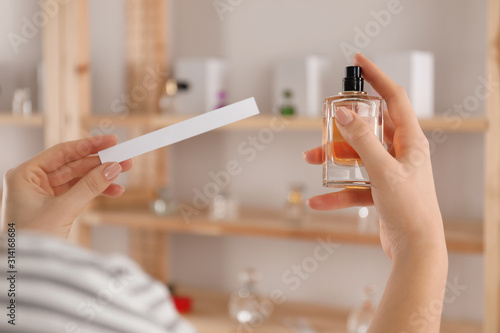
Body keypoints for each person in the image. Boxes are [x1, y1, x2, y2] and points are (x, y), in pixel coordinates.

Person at [0, 53, 447, 333]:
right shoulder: (102, 296)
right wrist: (421, 245)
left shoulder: (18, 282)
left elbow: (18, 303)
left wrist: (26, 245)